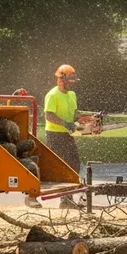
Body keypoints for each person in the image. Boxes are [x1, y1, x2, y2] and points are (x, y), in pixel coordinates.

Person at [44, 65, 81, 207]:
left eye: (72, 80)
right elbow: (49, 115)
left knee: (74, 164)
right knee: (62, 166)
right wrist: (65, 123)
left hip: (67, 134)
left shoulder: (72, 95)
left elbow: (75, 113)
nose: (71, 83)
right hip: (55, 135)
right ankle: (64, 200)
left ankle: (68, 198)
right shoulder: (53, 95)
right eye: (68, 80)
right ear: (60, 79)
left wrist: (88, 117)